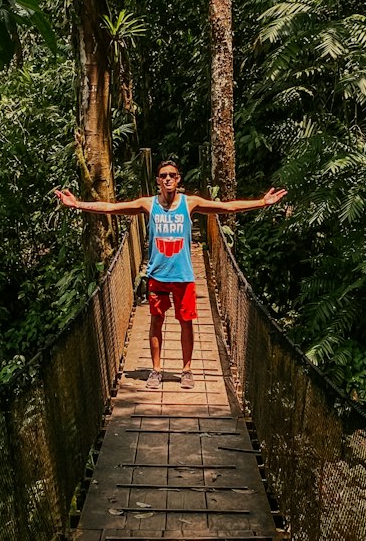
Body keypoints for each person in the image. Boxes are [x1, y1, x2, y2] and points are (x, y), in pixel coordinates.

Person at [55, 156, 286, 390]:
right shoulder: (148, 204)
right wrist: (78, 205)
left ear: (178, 179)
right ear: (157, 180)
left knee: (186, 323)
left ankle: (186, 370)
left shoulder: (190, 203)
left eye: (172, 175)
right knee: (156, 322)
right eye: (163, 175)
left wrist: (262, 202)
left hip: (184, 276)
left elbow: (227, 206)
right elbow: (111, 208)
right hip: (157, 275)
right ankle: (155, 371)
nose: (167, 179)